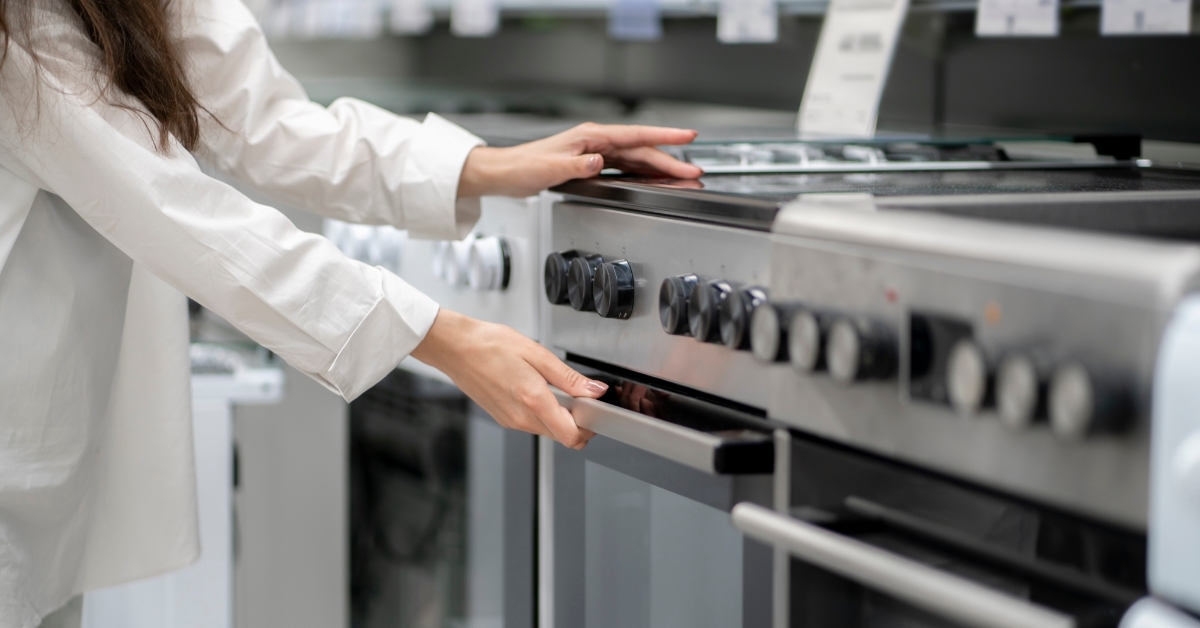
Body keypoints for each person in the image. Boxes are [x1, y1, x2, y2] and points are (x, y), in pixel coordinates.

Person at [0, 0, 703, 624]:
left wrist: (493, 165)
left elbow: (265, 123)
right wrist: (439, 335)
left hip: (49, 464)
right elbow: (175, 210)